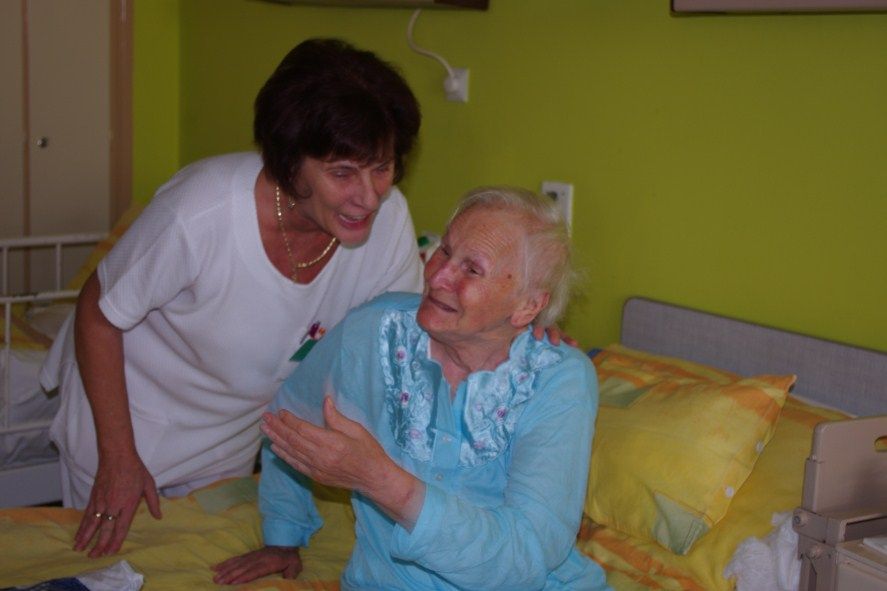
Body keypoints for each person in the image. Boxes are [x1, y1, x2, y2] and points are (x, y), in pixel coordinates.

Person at [39, 37, 424, 558]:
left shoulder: (389, 222)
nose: (370, 196)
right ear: (290, 163)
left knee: (199, 568)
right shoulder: (201, 211)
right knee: (107, 573)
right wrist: (118, 459)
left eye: (382, 167)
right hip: (128, 419)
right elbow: (98, 313)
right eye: (342, 173)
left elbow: (401, 349)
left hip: (233, 437)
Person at [214, 187, 612, 590]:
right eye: (444, 250)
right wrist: (283, 533)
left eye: (472, 269)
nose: (437, 276)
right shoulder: (374, 331)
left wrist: (380, 479)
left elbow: (527, 554)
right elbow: (289, 417)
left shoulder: (557, 378)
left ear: (528, 306)